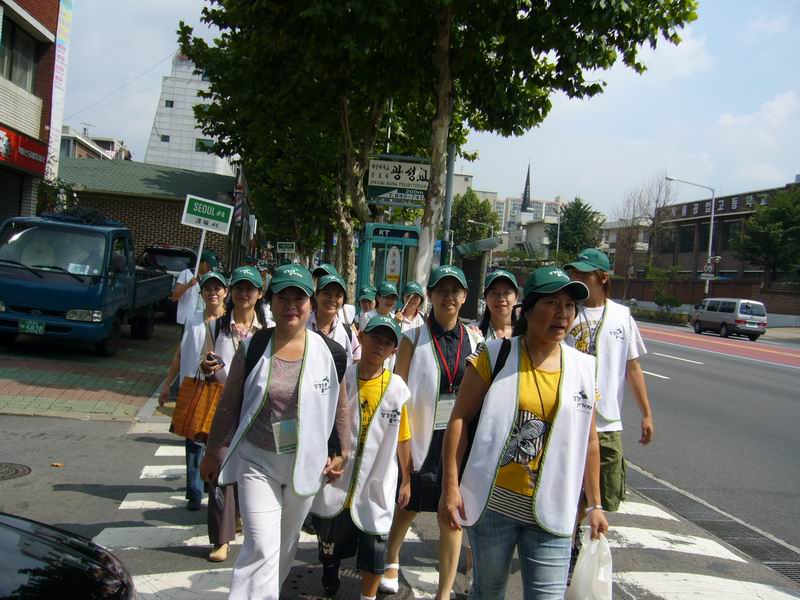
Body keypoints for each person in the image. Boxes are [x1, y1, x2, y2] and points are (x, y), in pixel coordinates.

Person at [438, 267, 609, 599]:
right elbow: (459, 418)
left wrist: (594, 505)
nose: (562, 313)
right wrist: (450, 488)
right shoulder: (494, 355)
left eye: (569, 305)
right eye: (552, 303)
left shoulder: (584, 369)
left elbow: (589, 441)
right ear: (527, 310)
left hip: (554, 509)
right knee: (487, 592)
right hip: (494, 505)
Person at [200, 263, 351, 600]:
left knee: (284, 543)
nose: (291, 306)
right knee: (260, 544)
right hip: (258, 462)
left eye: (299, 298)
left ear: (311, 302)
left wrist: (342, 452)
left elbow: (340, 405)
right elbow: (228, 405)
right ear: (270, 301)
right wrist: (212, 452)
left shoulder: (329, 353)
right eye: (283, 297)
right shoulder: (254, 347)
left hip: (305, 463)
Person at [381, 265, 482, 599]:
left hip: (460, 440)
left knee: (453, 514)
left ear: (464, 297)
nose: (448, 297)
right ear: (431, 296)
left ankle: (444, 592)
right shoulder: (412, 339)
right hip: (422, 435)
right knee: (409, 505)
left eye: (455, 291)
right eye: (441, 291)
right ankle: (391, 556)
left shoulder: (477, 341)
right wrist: (400, 445)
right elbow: (398, 394)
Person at [311, 314, 412, 600]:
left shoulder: (397, 389)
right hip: (340, 475)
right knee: (330, 538)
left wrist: (407, 479)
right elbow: (323, 422)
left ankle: (367, 597)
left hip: (377, 480)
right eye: (375, 338)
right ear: (362, 338)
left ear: (393, 351)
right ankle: (330, 567)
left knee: (374, 543)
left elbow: (403, 437)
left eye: (387, 342)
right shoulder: (342, 378)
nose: (379, 345)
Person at [563, 249, 653, 515]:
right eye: (574, 273)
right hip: (568, 416)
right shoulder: (566, 311)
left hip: (607, 422)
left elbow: (632, 368)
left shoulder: (622, 316)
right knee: (566, 487)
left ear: (602, 278)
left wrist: (646, 414)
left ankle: (577, 530)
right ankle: (571, 533)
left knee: (606, 493)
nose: (576, 278)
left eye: (584, 274)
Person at [197, 266, 274, 562]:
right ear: (231, 292)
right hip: (224, 406)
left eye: (249, 289)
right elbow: (204, 361)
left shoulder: (268, 330)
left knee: (251, 465)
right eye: (239, 288)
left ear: (259, 294)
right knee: (219, 466)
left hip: (257, 409)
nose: (244, 294)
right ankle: (221, 539)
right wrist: (206, 366)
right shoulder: (216, 326)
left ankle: (238, 515)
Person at [158, 271, 228, 515]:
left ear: (225, 292)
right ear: (202, 293)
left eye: (217, 288)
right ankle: (194, 492)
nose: (213, 293)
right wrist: (167, 384)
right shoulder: (193, 320)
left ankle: (214, 486)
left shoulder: (230, 323)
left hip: (223, 390)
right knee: (194, 440)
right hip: (196, 386)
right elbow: (180, 353)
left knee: (217, 442)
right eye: (208, 289)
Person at [308, 273, 361, 366]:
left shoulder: (348, 333)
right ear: (316, 295)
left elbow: (357, 360)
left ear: (343, 300)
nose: (332, 299)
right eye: (326, 293)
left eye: (338, 295)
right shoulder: (301, 326)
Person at [469, 269, 519, 341]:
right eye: (494, 293)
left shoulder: (526, 334)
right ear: (486, 298)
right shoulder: (471, 333)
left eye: (507, 293)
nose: (501, 299)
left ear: (516, 298)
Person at [172, 250, 217, 325]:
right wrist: (188, 285)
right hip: (186, 319)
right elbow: (174, 297)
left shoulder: (211, 277)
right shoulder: (185, 274)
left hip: (203, 320)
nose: (210, 267)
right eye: (208, 264)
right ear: (201, 262)